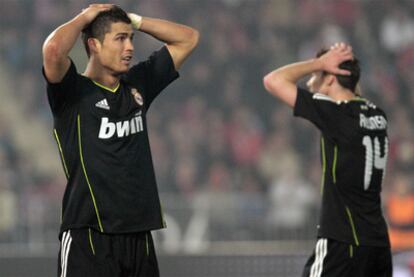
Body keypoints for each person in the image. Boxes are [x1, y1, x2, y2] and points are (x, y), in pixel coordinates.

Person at [42, 4, 199, 277]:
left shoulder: (138, 84)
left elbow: (189, 38)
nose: (129, 48)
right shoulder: (72, 93)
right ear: (94, 45)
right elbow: (53, 50)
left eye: (131, 39)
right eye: (119, 39)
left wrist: (134, 21)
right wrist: (86, 17)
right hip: (88, 236)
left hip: (139, 235)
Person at [263, 43, 392, 276]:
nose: (310, 83)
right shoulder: (377, 115)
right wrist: (346, 70)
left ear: (331, 79)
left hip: (342, 242)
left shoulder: (335, 115)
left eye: (315, 76)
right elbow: (353, 95)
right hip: (377, 244)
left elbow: (273, 80)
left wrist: (321, 63)